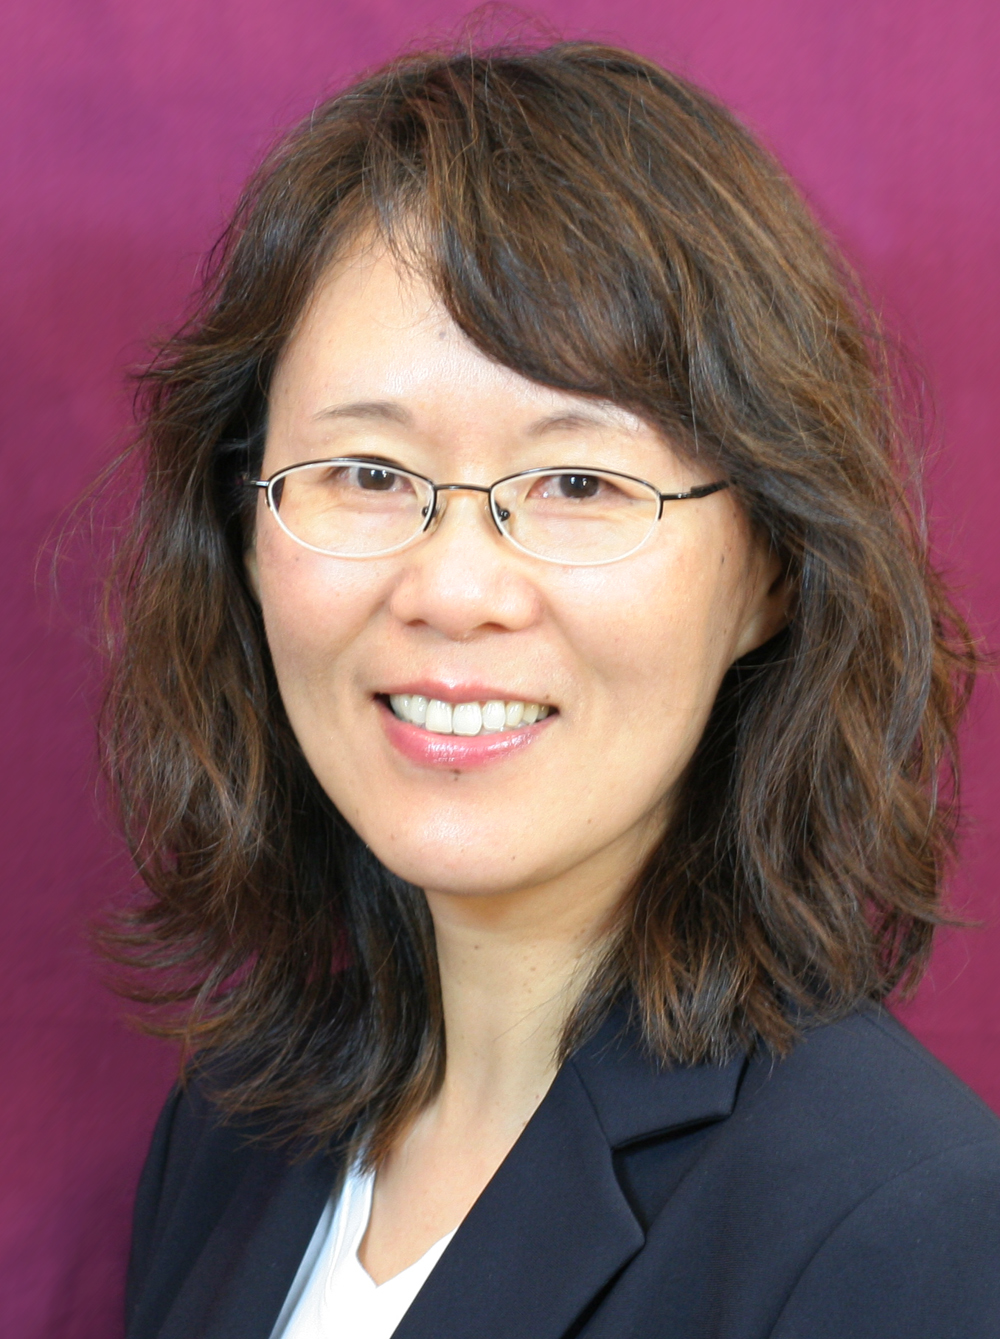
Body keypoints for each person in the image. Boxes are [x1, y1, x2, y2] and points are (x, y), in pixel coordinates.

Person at [109, 40, 1000, 1339]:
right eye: (366, 472)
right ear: (242, 532)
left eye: (580, 485)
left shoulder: (903, 1232)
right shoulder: (232, 1130)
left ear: (770, 573)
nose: (453, 589)